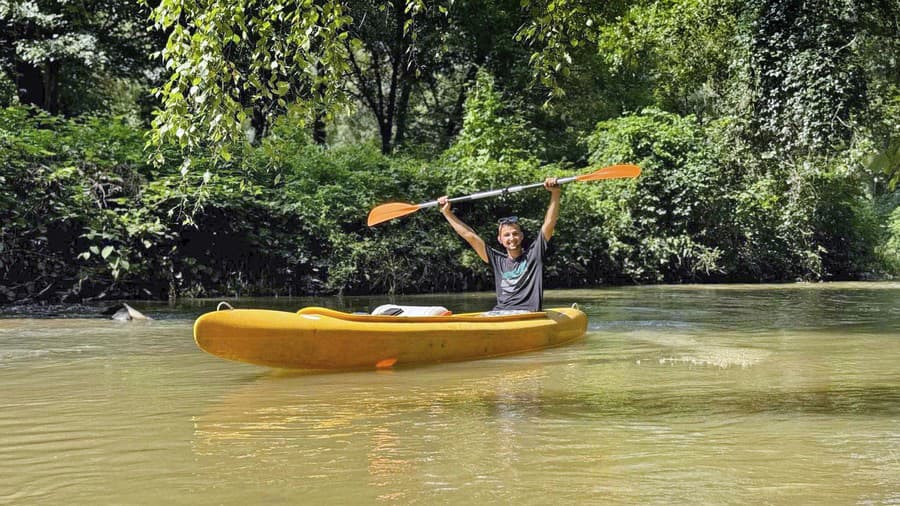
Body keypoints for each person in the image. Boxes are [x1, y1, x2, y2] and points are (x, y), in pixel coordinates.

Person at [437, 177, 561, 313]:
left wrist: (555, 193)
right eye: (507, 235)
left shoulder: (534, 254)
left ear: (521, 236)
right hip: (500, 313)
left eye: (515, 234)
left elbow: (549, 224)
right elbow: (470, 236)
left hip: (527, 313)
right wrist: (447, 213)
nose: (512, 238)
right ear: (500, 240)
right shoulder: (497, 260)